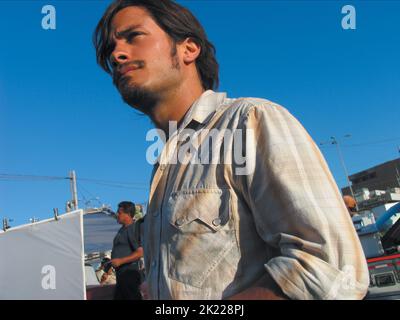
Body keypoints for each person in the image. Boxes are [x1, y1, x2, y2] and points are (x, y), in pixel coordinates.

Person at [93, 0, 369, 300]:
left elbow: (331, 270)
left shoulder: (248, 121)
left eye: (134, 36)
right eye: (111, 50)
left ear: (188, 49)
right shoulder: (164, 169)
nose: (117, 55)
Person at [111, 201, 143, 300]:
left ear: (128, 214)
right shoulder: (122, 230)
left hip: (129, 274)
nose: (117, 214)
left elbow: (140, 252)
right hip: (121, 275)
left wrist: (120, 261)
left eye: (119, 212)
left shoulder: (132, 229)